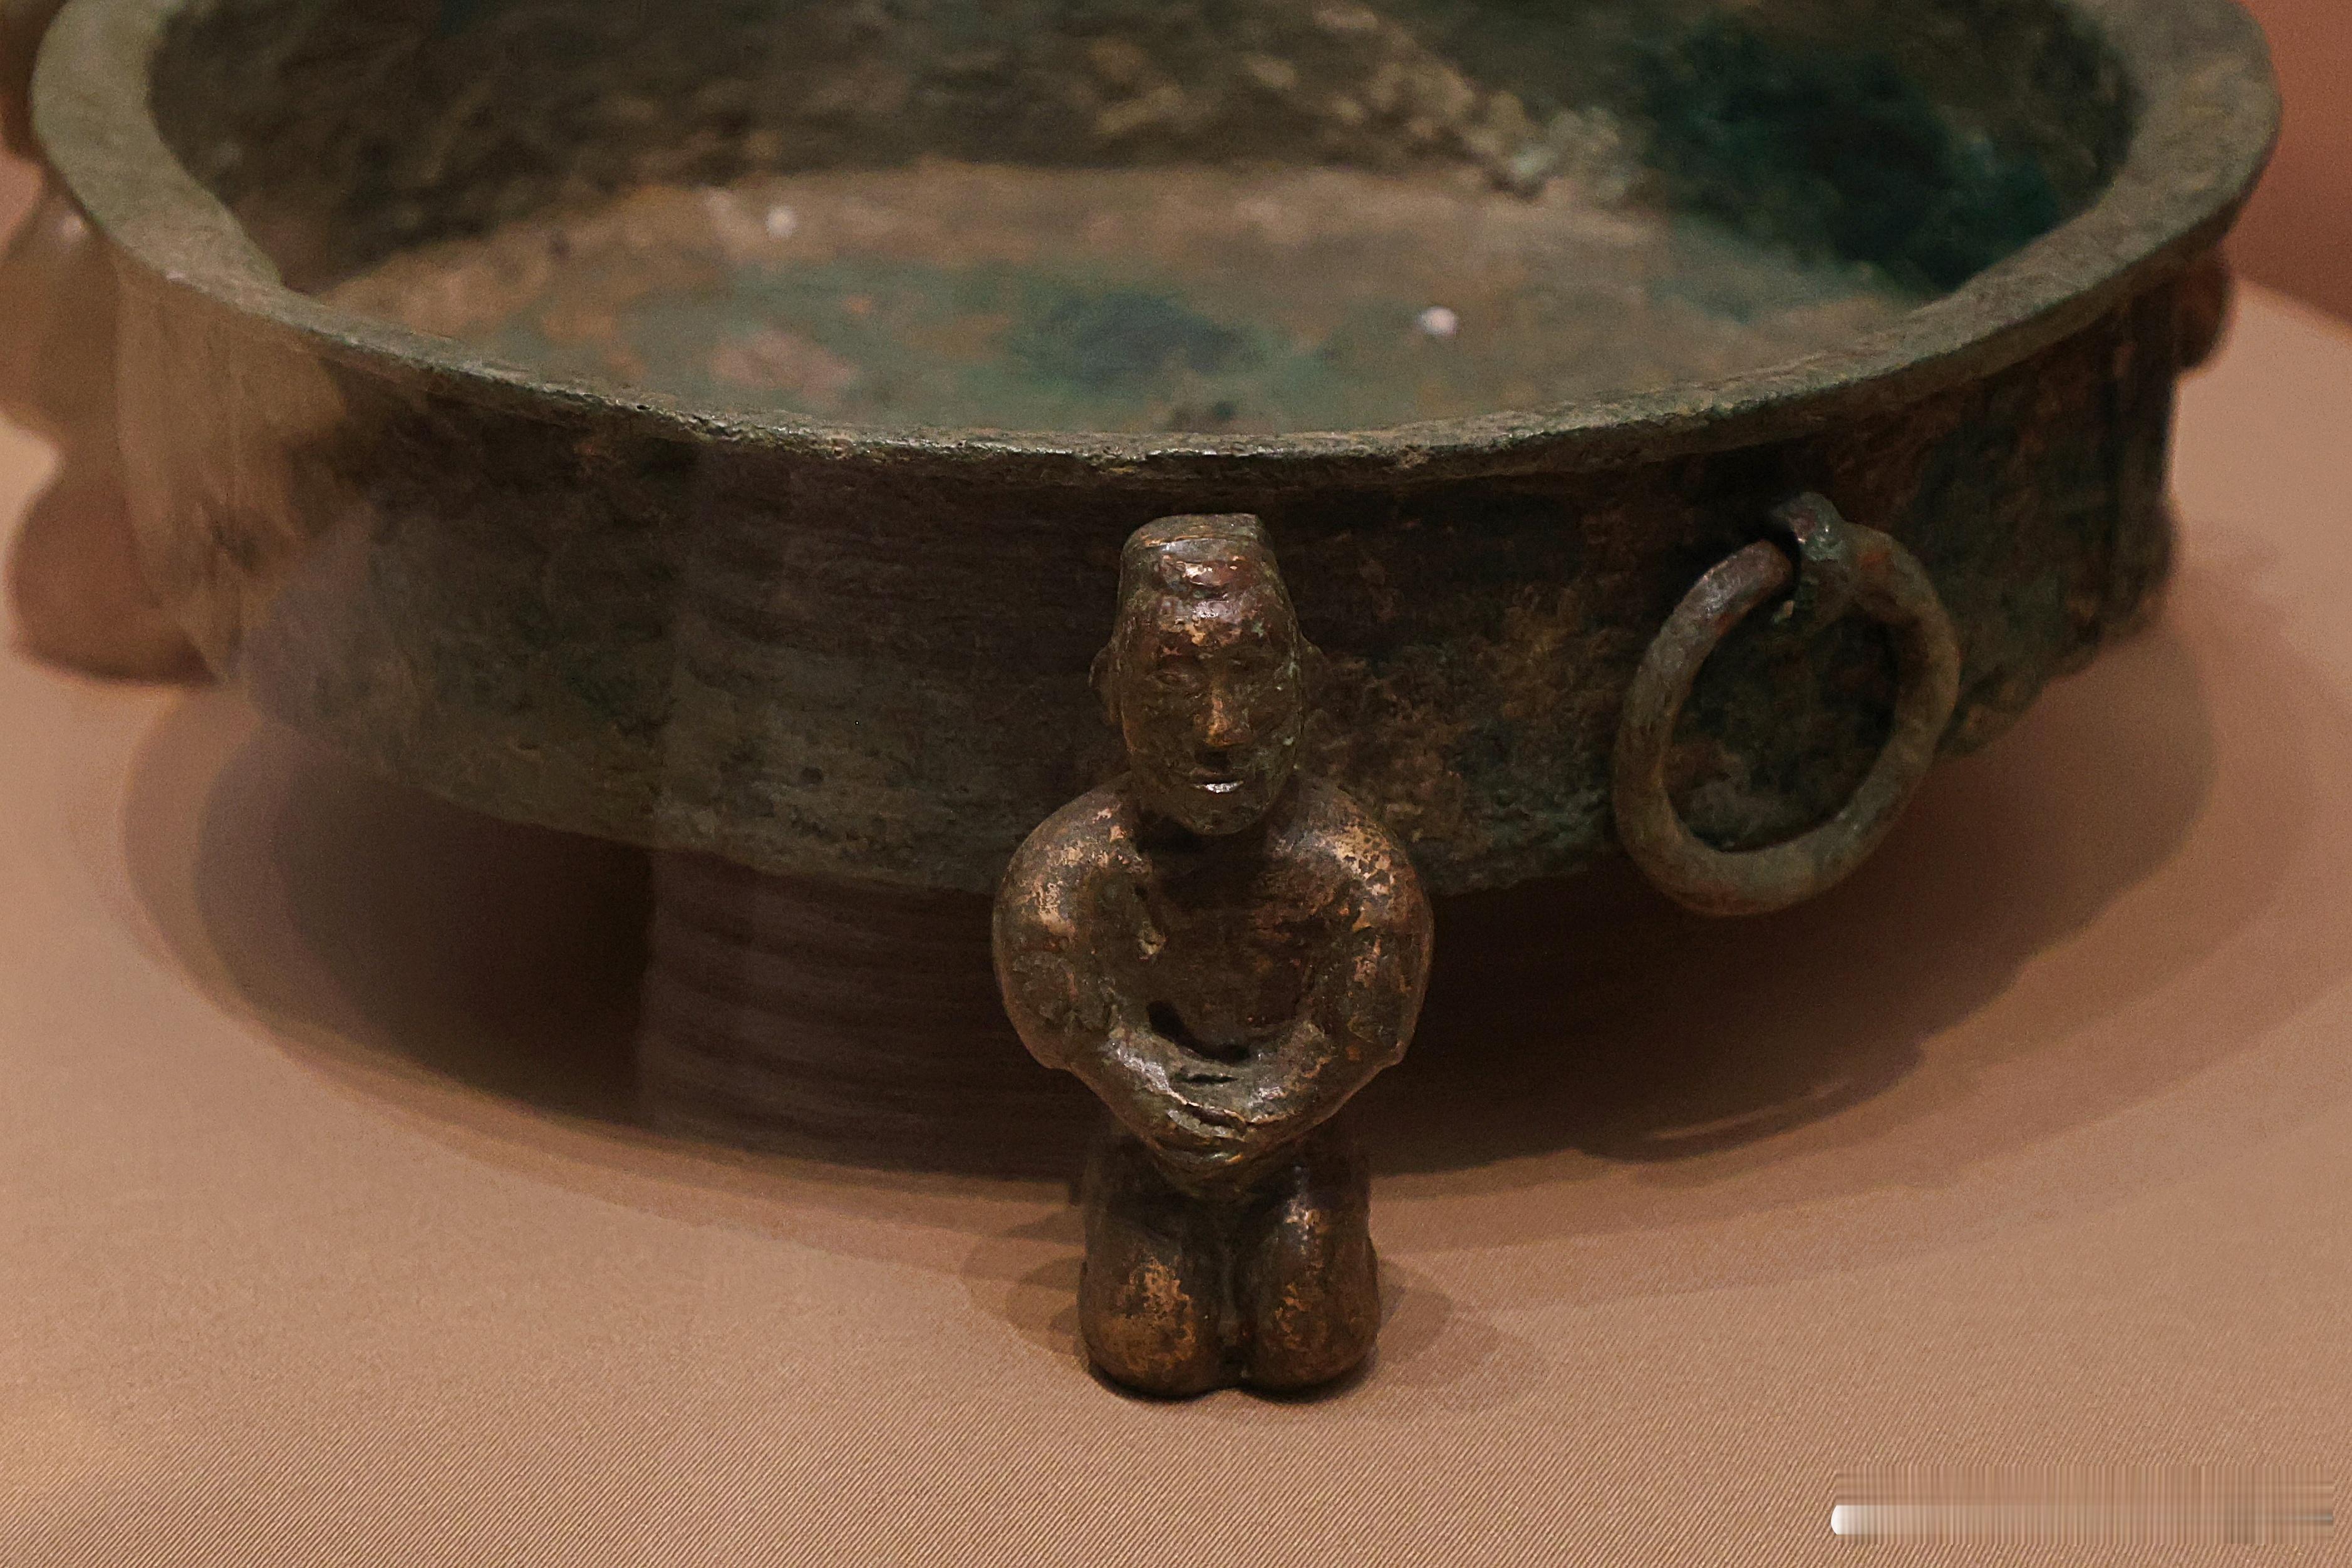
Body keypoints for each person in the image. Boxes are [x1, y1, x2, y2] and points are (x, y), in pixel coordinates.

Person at [993, 513, 1432, 1396]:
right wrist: (1145, 1090)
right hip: (1151, 1153)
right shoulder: (1069, 872)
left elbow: (1361, 1031)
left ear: (1305, 684)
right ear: (1112, 689)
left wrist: (1271, 1110)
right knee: (1152, 1345)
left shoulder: (1357, 872)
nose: (1221, 729)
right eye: (1174, 678)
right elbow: (1068, 1019)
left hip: (1299, 1151)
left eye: (1253, 672)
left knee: (1315, 1338)